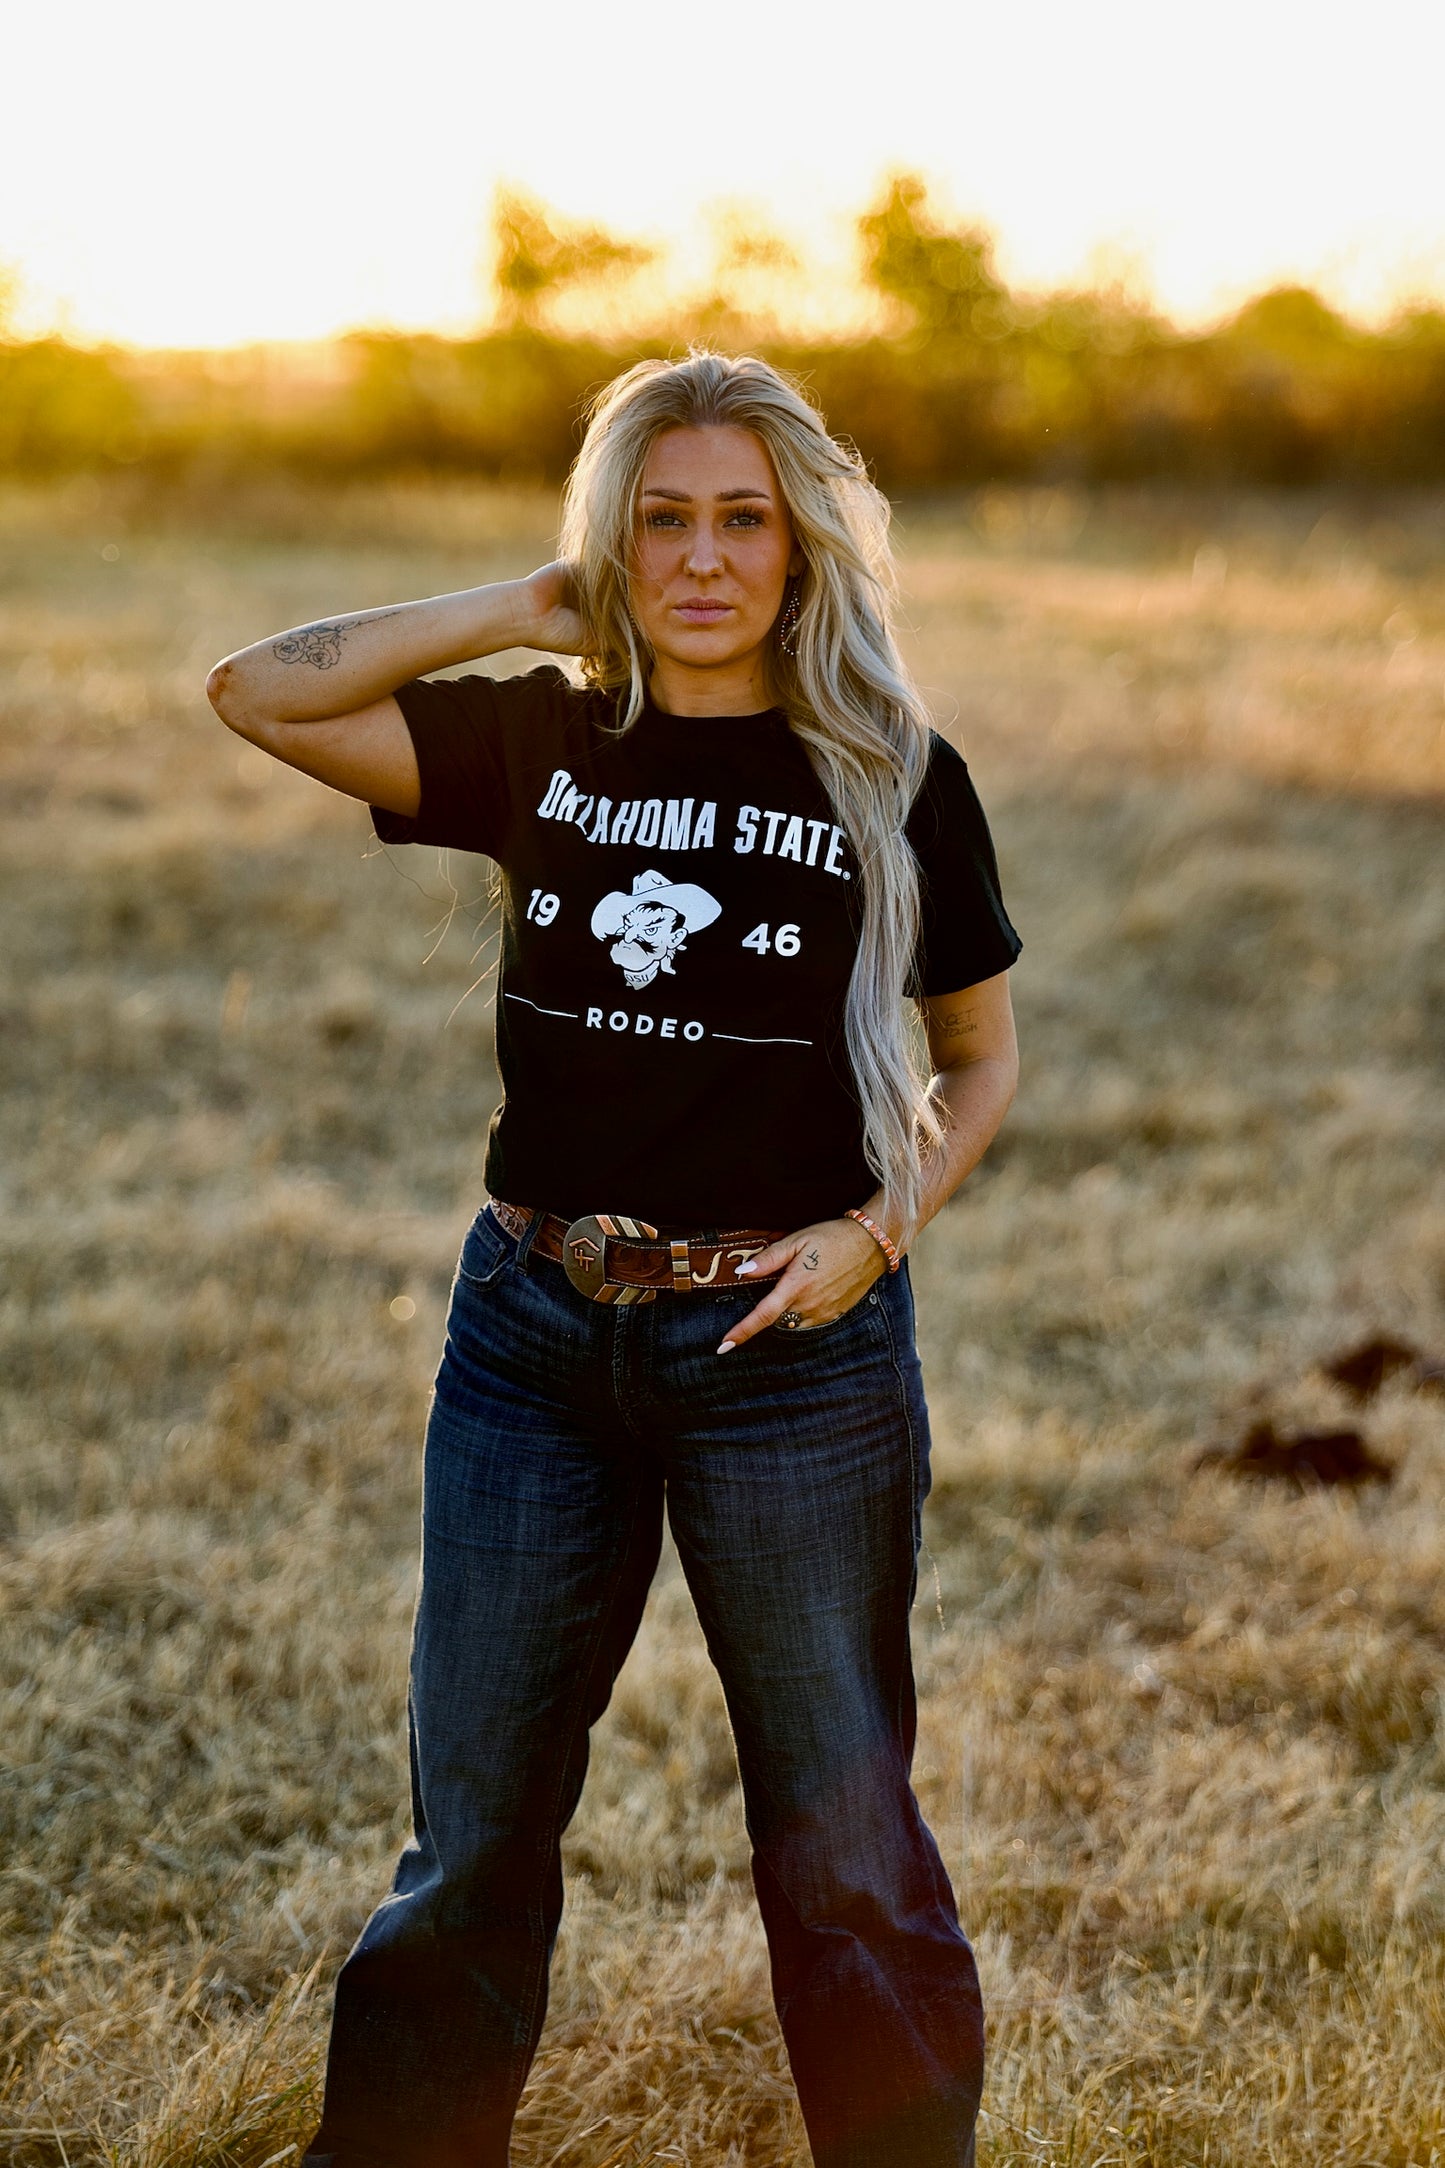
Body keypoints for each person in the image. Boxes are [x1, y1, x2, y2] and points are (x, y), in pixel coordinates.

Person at [206, 349, 1021, 2168]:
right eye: (662, 520)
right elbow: (256, 691)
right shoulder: (541, 736)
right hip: (529, 1340)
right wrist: (528, 604)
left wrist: (877, 1233)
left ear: (804, 548)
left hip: (785, 1356)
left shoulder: (890, 773)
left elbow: (980, 1064)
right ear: (614, 542)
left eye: (746, 519)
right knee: (472, 1832)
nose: (706, 558)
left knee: (841, 1845)